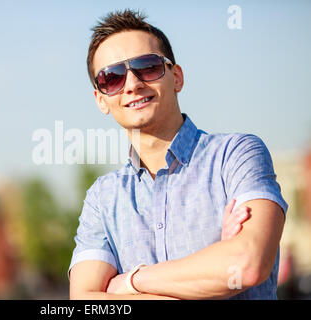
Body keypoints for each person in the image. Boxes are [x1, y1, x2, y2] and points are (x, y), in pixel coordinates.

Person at [68, 9, 288, 300]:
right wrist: (208, 277)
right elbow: (84, 301)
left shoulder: (236, 155)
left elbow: (246, 265)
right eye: (112, 77)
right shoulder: (102, 198)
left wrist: (131, 282)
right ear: (101, 99)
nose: (132, 84)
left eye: (147, 67)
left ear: (177, 77)